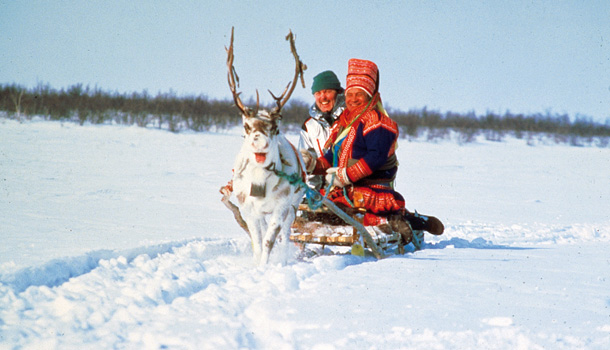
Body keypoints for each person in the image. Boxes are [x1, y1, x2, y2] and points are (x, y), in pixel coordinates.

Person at [304, 58, 443, 243]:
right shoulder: (345, 123)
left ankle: (403, 222)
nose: (353, 99)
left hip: (371, 188)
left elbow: (375, 157)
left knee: (349, 214)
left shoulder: (378, 122)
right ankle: (404, 220)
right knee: (321, 211)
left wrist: (346, 175)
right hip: (347, 188)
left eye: (359, 94)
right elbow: (333, 156)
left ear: (369, 96)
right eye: (350, 94)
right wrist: (314, 164)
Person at [298, 70, 345, 191]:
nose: (323, 97)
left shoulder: (350, 118)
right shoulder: (309, 126)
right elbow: (307, 169)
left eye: (328, 91)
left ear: (339, 92)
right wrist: (310, 196)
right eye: (318, 93)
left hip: (348, 191)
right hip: (321, 193)